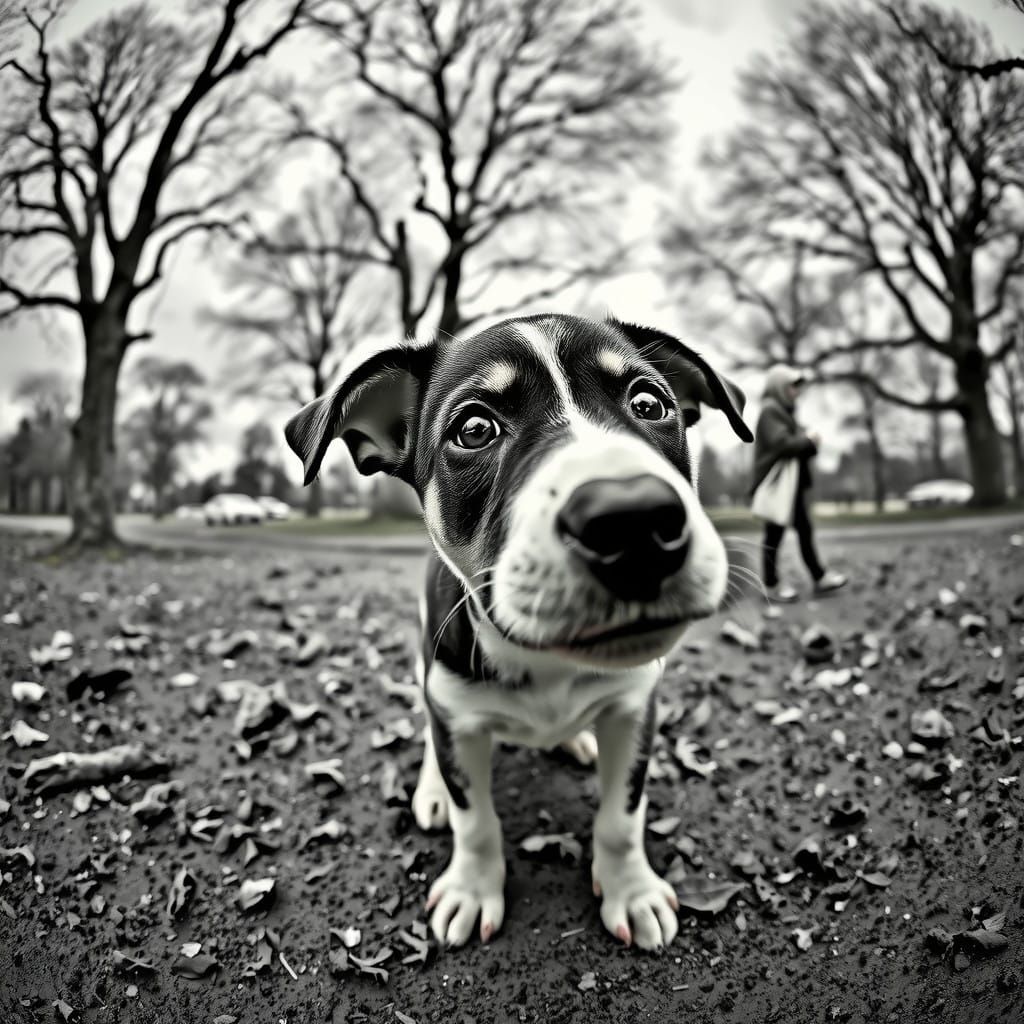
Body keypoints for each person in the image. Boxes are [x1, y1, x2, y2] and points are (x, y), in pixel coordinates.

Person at [750, 365, 847, 603]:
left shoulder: (784, 411)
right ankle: (774, 585)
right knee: (775, 536)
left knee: (801, 530)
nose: (796, 391)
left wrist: (807, 444)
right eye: (792, 386)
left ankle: (818, 577)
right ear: (779, 387)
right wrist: (808, 441)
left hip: (789, 486)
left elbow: (792, 445)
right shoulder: (771, 410)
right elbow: (782, 444)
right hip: (778, 486)